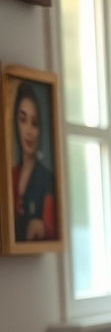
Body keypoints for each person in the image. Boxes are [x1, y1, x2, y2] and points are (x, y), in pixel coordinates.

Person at [11, 81, 57, 242]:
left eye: (34, 123)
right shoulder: (10, 176)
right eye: (23, 120)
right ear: (16, 123)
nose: (29, 131)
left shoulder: (47, 179)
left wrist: (42, 227)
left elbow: (52, 227)